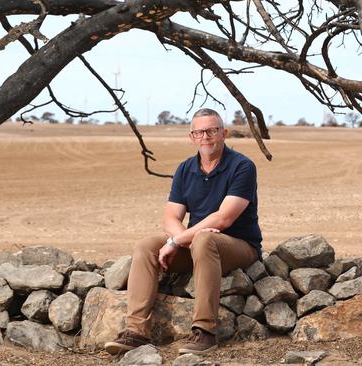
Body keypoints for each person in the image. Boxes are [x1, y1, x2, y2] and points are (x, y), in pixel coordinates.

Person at [104, 108, 262, 355]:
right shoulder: (185, 169)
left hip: (239, 246)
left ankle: (205, 332)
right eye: (199, 132)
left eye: (212, 130)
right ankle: (136, 332)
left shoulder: (242, 166)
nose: (205, 137)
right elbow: (169, 217)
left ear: (224, 133)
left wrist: (178, 240)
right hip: (199, 244)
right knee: (147, 245)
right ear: (192, 137)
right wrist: (181, 240)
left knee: (205, 239)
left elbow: (223, 218)